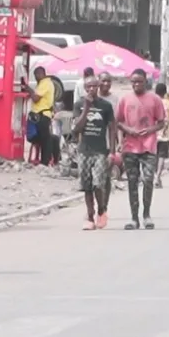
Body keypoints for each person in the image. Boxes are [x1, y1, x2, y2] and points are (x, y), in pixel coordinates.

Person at [114, 69, 166, 230]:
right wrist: (128, 131)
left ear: (145, 81)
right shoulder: (125, 99)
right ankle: (134, 217)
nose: (136, 85)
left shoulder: (155, 99)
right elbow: (118, 121)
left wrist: (150, 130)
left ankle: (147, 215)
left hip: (149, 145)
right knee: (132, 181)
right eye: (133, 82)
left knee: (148, 179)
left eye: (139, 82)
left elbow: (161, 122)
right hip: (130, 146)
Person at [73, 79, 115, 231]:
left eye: (94, 86)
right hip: (84, 150)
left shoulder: (106, 106)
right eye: (89, 86)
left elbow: (112, 128)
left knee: (98, 184)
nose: (92, 89)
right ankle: (90, 216)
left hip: (100, 151)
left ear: (98, 87)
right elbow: (76, 128)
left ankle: (101, 210)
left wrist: (112, 151)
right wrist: (86, 109)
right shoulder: (79, 104)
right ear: (85, 88)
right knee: (86, 186)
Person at [29, 66, 58, 166]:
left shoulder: (45, 83)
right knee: (42, 139)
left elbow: (36, 98)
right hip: (41, 114)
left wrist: (28, 89)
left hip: (43, 115)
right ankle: (43, 160)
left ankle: (45, 161)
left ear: (41, 74)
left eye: (37, 75)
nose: (36, 78)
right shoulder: (43, 83)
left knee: (45, 140)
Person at [154, 82, 169, 186]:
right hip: (165, 134)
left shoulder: (152, 102)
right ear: (165, 92)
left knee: (153, 155)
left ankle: (153, 175)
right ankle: (158, 177)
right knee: (162, 156)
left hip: (153, 133)